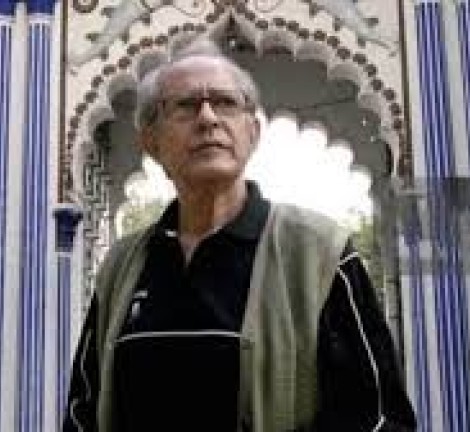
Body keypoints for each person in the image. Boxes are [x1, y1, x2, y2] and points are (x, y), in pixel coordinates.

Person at [62, 39, 416, 432]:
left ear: (253, 132)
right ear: (151, 141)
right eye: (185, 105)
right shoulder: (123, 267)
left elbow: (378, 418)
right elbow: (82, 412)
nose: (208, 118)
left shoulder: (318, 254)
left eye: (226, 103)